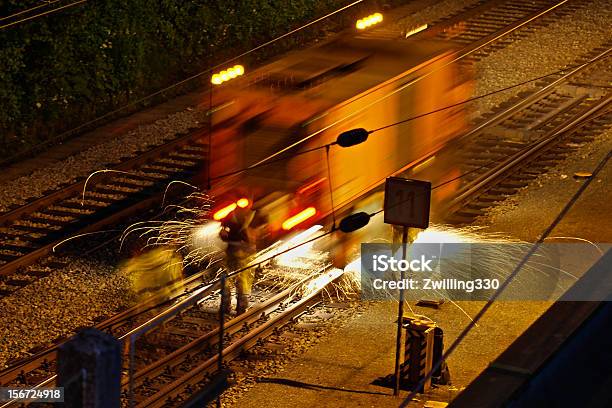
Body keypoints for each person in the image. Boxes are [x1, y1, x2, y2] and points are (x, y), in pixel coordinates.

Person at [219, 199, 256, 315]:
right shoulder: (251, 215)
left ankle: (226, 305)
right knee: (243, 278)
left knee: (227, 277)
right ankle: (241, 305)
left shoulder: (232, 214)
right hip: (243, 252)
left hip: (232, 250)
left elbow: (223, 231)